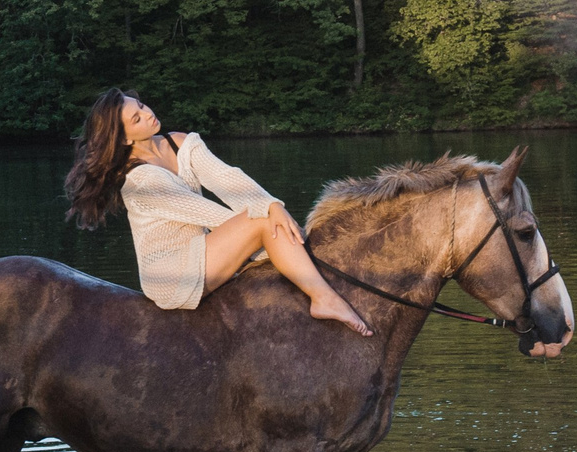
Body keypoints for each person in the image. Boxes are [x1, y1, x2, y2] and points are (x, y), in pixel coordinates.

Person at [63, 88, 371, 336]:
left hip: (202, 251)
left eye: (141, 105)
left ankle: (315, 287)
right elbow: (209, 214)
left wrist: (274, 205)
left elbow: (228, 179)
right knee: (264, 221)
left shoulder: (179, 142)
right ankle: (324, 298)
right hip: (169, 274)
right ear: (125, 138)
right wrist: (273, 240)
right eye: (136, 118)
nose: (147, 113)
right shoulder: (140, 179)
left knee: (266, 216)